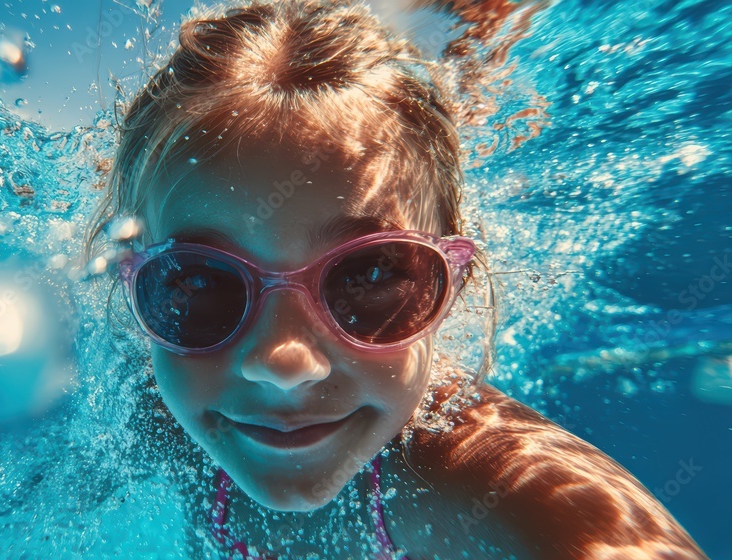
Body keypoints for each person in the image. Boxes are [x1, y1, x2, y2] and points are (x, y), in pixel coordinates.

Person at [81, 0, 706, 557]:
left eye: (370, 276)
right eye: (197, 286)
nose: (284, 362)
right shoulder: (142, 416)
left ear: (453, 282)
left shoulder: (475, 481)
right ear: (132, 287)